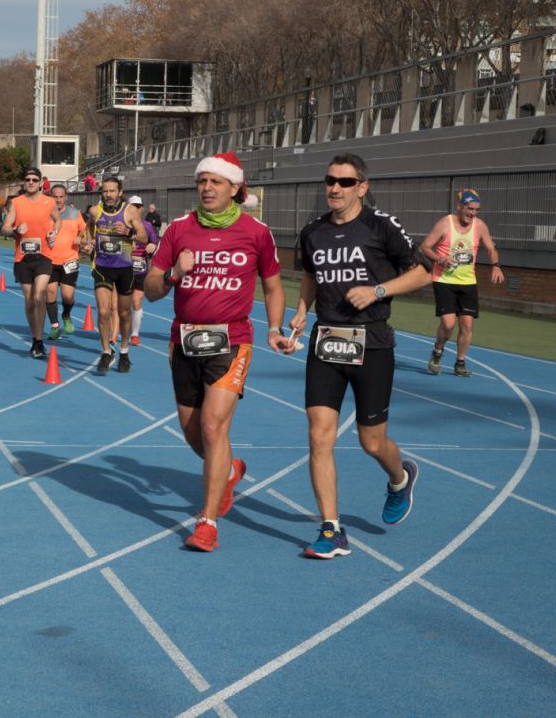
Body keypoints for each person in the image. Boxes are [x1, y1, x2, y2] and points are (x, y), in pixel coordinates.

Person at [287, 153, 431, 560]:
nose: (335, 188)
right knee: (318, 435)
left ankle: (400, 477)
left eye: (345, 182)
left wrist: (378, 291)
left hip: (372, 342)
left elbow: (422, 273)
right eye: (330, 180)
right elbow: (312, 275)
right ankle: (331, 530)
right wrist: (301, 311)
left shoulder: (381, 226)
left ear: (362, 187)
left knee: (372, 442)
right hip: (326, 340)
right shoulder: (312, 231)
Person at [144, 153, 290, 552]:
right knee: (193, 432)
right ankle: (227, 472)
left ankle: (206, 522)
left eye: (215, 182)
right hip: (184, 340)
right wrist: (175, 273)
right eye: (202, 181)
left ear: (235, 188)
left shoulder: (256, 232)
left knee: (213, 426)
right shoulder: (178, 230)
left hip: (233, 339)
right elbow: (151, 289)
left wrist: (274, 329)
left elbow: (274, 287)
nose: (206, 188)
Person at [420, 188, 505, 377]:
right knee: (449, 324)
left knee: (467, 325)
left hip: (468, 282)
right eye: (469, 209)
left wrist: (496, 265)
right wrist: (440, 259)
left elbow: (490, 248)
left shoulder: (480, 226)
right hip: (444, 280)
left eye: (476, 210)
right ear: (460, 207)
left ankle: (460, 362)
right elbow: (425, 247)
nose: (472, 213)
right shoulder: (445, 223)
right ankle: (438, 351)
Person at [85, 176, 146, 373]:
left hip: (124, 268)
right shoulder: (95, 211)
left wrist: (129, 232)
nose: (108, 195)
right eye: (105, 191)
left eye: (112, 191)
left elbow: (143, 236)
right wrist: (89, 242)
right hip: (102, 267)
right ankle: (105, 351)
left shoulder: (130, 211)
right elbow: (88, 227)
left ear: (120, 192)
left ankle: (124, 351)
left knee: (124, 312)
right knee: (103, 312)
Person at [0, 167, 62, 359]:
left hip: (44, 255)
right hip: (23, 258)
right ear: (24, 182)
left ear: (40, 182)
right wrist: (17, 229)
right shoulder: (16, 203)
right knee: (29, 301)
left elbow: (58, 220)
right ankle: (35, 339)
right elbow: (4, 229)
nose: (31, 182)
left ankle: (39, 340)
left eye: (35, 179)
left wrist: (54, 232)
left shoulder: (49, 201)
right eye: (28, 179)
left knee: (39, 296)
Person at [45, 184, 87, 339]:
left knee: (67, 296)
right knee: (50, 293)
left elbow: (84, 228)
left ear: (66, 197)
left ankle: (66, 315)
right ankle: (54, 326)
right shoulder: (45, 214)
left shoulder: (75, 213)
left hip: (70, 260)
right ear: (50, 197)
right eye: (54, 196)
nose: (58, 199)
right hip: (49, 260)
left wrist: (80, 237)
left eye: (60, 196)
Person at [127, 195, 160, 347]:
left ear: (142, 208)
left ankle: (134, 334)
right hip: (121, 268)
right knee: (121, 305)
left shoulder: (147, 226)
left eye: (137, 207)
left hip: (140, 269)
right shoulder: (122, 224)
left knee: (136, 301)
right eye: (131, 206)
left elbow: (155, 245)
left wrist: (152, 248)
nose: (134, 209)